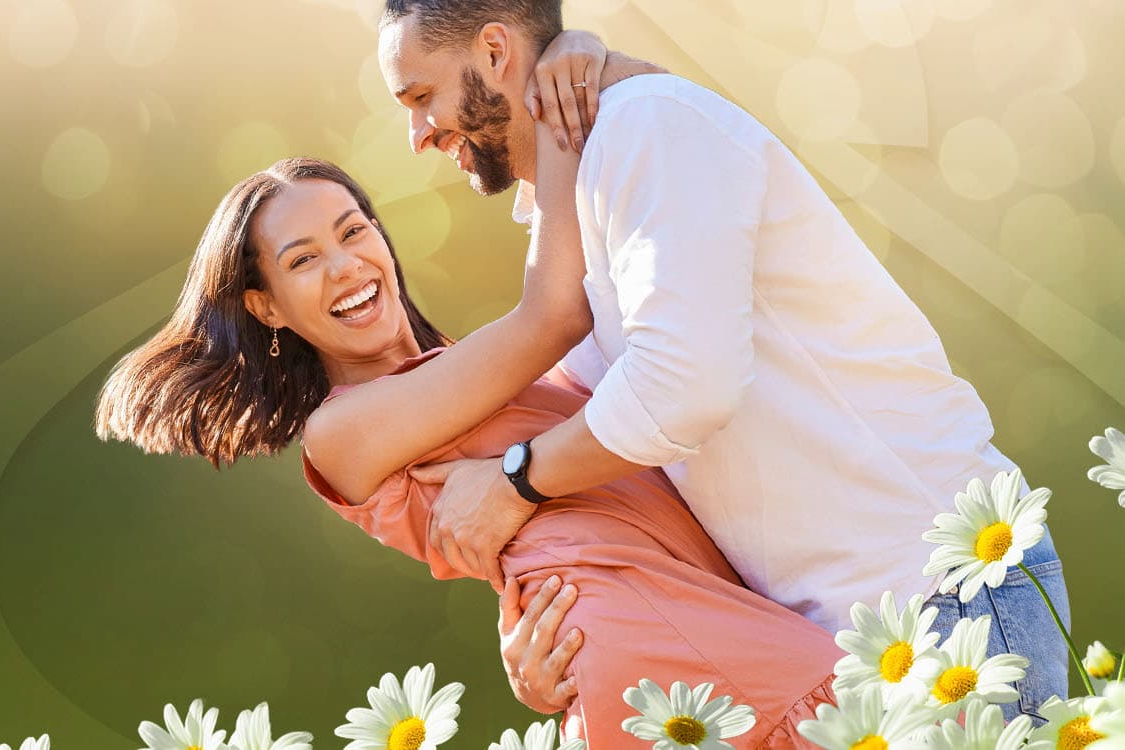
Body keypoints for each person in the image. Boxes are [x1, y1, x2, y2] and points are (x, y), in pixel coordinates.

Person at [93, 50, 841, 746]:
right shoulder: (342, 434)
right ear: (269, 308)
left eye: (354, 231)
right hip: (658, 644)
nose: (347, 266)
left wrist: (595, 59)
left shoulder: (471, 374)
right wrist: (555, 94)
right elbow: (554, 312)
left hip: (686, 620)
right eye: (303, 260)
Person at [373, 0, 1069, 720]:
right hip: (845, 639)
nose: (419, 135)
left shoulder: (649, 128)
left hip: (946, 595)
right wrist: (538, 614)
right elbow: (620, 454)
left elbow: (683, 387)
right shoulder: (577, 199)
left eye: (423, 97)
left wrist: (513, 484)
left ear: (494, 52)